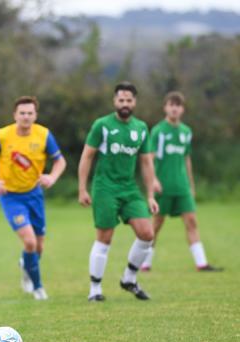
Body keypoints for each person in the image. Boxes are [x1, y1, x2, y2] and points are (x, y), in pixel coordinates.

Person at [78, 81, 158, 302]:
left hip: (129, 189)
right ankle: (95, 289)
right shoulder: (102, 125)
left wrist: (150, 194)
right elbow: (87, 156)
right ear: (115, 101)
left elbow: (146, 163)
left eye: (129, 100)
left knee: (147, 234)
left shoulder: (141, 128)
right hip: (105, 189)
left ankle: (129, 279)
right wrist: (82, 188)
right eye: (121, 100)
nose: (125, 104)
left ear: (134, 103)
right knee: (105, 237)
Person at [0, 96, 66, 300]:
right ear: (15, 115)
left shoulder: (44, 135)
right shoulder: (1, 136)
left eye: (30, 113)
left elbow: (60, 161)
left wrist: (52, 177)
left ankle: (26, 265)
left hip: (34, 194)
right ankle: (37, 288)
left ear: (35, 115)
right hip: (10, 197)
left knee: (39, 246)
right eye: (22, 113)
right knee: (30, 242)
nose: (26, 117)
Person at [141, 92, 222, 272]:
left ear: (182, 109)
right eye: (171, 104)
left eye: (178, 105)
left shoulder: (186, 132)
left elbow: (186, 160)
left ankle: (202, 263)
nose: (175, 108)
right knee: (156, 225)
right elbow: (149, 159)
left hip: (182, 187)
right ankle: (145, 263)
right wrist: (153, 180)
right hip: (163, 187)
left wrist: (191, 185)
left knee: (192, 221)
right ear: (165, 108)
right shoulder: (158, 131)